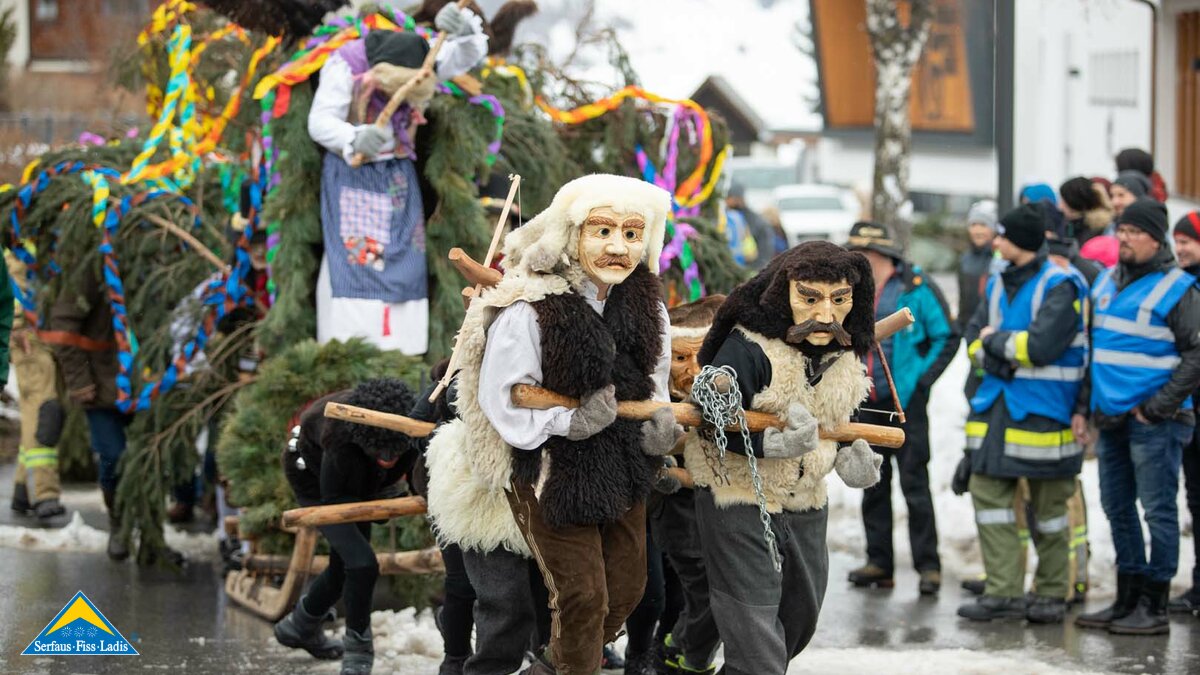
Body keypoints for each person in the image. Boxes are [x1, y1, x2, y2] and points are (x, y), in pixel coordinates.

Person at [426, 174, 675, 675]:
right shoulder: (530, 308)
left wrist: (661, 426)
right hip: (548, 468)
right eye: (602, 231)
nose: (617, 247)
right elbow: (502, 396)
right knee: (582, 596)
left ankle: (548, 667)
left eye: (631, 234)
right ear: (572, 234)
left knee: (626, 590)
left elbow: (657, 384)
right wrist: (570, 421)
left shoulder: (651, 310)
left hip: (624, 464)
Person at [684, 241, 883, 674]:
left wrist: (853, 457)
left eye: (840, 300)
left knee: (800, 617)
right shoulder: (748, 346)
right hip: (737, 493)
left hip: (806, 499)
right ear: (783, 293)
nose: (826, 315)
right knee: (755, 637)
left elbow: (847, 418)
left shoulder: (844, 350)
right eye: (810, 298)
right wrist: (772, 446)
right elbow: (712, 415)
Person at [308, 15, 487, 354]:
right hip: (354, 177)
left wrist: (466, 29)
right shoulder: (346, 63)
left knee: (405, 256)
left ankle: (402, 351)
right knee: (356, 261)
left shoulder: (422, 56)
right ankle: (351, 349)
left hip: (398, 179)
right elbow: (319, 121)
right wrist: (355, 136)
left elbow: (465, 54)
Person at [955, 204, 1087, 624]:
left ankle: (1050, 593)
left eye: (1003, 236)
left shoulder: (1061, 285)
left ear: (1024, 242)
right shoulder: (996, 283)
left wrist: (998, 346)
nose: (995, 242)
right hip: (996, 410)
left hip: (1046, 415)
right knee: (989, 498)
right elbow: (974, 339)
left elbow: (1042, 347)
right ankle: (1003, 591)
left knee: (1048, 512)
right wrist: (998, 350)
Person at [1074, 199, 1200, 635]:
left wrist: (1157, 407)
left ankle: (1155, 605)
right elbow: (1095, 352)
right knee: (1117, 507)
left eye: (1133, 232)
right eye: (1120, 230)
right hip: (1110, 417)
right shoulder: (1106, 282)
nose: (1123, 238)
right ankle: (1126, 598)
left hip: (1156, 422)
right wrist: (1084, 408)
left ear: (1155, 237)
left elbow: (1196, 354)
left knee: (1159, 512)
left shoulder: (1179, 288)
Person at [275, 379, 422, 675]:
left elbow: (409, 472)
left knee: (346, 566)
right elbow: (336, 499)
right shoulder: (339, 434)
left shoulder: (410, 427)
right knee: (362, 564)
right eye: (382, 453)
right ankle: (358, 650)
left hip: (357, 475)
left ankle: (300, 626)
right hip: (317, 479)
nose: (389, 459)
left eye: (394, 453)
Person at [845, 222, 957, 595]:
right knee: (872, 484)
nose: (858, 262)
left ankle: (929, 566)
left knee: (915, 486)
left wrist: (921, 382)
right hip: (866, 402)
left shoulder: (916, 288)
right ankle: (880, 563)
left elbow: (947, 335)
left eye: (864, 256)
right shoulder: (850, 292)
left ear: (882, 256)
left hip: (906, 404)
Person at [644, 296, 726, 675]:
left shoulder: (725, 399)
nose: (693, 370)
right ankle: (678, 653)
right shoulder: (654, 403)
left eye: (701, 357)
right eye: (680, 359)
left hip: (721, 514)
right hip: (678, 516)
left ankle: (683, 652)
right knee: (698, 592)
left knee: (709, 593)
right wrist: (673, 474)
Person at [44, 265, 129, 560]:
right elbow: (63, 327)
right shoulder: (93, 268)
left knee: (151, 459)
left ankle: (151, 530)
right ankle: (118, 522)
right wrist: (79, 381)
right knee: (112, 456)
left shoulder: (159, 260)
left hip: (147, 385)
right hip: (102, 386)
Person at [6, 252, 64, 525]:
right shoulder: (20, 237)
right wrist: (17, 327)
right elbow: (14, 284)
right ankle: (45, 493)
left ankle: (23, 488)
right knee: (44, 411)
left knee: (33, 414)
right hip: (30, 338)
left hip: (41, 335)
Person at [1169, 211, 1200, 614]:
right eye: (1176, 240)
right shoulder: (1180, 286)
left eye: (1187, 240)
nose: (1180, 248)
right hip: (1191, 411)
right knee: (1195, 502)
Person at [957, 200, 998, 332]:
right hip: (968, 329)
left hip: (990, 329)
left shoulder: (1000, 259)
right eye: (973, 224)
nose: (977, 230)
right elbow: (963, 301)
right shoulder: (964, 260)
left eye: (983, 224)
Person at [1058, 176, 1114, 250]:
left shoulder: (1095, 230)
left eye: (1063, 201)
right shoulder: (1069, 225)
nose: (1060, 207)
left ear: (1073, 202)